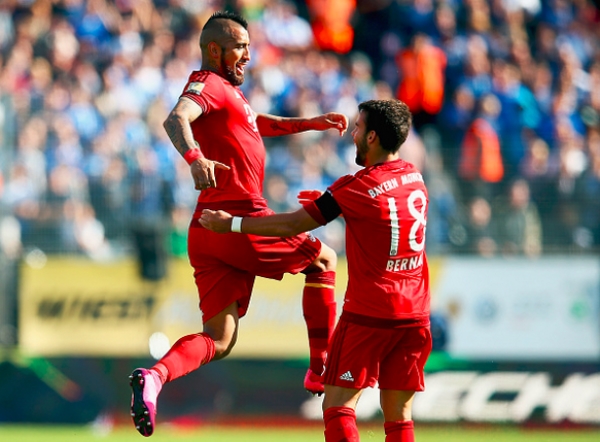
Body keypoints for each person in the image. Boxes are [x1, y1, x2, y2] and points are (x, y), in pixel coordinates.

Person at [128, 10, 348, 437]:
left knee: (220, 338)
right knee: (323, 258)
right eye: (241, 47)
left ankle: (154, 377)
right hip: (237, 217)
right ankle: (322, 367)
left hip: (205, 230)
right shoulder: (208, 83)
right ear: (215, 49)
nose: (249, 54)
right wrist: (194, 159)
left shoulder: (230, 93)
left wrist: (311, 123)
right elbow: (176, 119)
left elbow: (257, 124)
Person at [201, 99, 432, 442]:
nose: (352, 134)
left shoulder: (357, 187)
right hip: (415, 314)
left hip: (371, 312)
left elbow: (292, 225)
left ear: (372, 137)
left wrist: (231, 224)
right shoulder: (414, 176)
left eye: (357, 127)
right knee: (399, 416)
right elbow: (377, 215)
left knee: (338, 407)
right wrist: (328, 202)